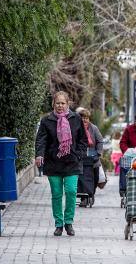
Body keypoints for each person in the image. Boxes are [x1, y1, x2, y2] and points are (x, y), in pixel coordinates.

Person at [35, 91, 87, 236]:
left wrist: (79, 155)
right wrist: (39, 154)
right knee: (57, 194)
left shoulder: (76, 118)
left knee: (71, 191)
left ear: (67, 104)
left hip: (72, 162)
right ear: (53, 104)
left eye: (63, 103)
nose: (60, 106)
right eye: (57, 103)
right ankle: (59, 224)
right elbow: (41, 140)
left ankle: (68, 222)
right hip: (53, 162)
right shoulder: (47, 120)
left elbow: (83, 139)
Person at [76, 107, 104, 206]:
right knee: (82, 177)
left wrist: (98, 153)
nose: (84, 120)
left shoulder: (94, 128)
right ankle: (84, 197)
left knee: (95, 177)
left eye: (86, 118)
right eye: (82, 118)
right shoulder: (76, 128)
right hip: (81, 156)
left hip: (93, 156)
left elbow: (100, 141)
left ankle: (91, 193)